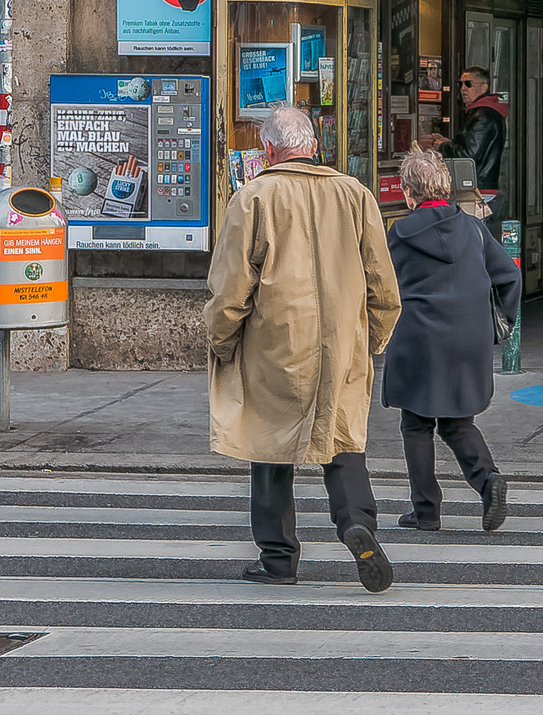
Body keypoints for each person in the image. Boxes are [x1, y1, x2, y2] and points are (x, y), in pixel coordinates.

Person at [204, 105, 402, 591]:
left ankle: (277, 558)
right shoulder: (355, 195)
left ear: (267, 151)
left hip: (277, 341)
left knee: (269, 443)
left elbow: (230, 289)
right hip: (342, 342)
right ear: (314, 147)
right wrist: (370, 341)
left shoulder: (252, 197)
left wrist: (221, 342)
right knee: (342, 439)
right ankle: (357, 522)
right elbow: (385, 288)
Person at [382, 147, 521, 532]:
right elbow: (510, 276)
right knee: (458, 422)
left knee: (416, 424)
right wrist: (498, 322)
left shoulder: (399, 234)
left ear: (409, 193)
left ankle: (426, 511)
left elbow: (380, 285)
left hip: (420, 339)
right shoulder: (473, 229)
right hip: (468, 337)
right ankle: (488, 481)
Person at [429, 66, 508, 217]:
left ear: (483, 87)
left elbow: (469, 154)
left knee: (471, 236)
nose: (463, 89)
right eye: (461, 84)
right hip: (479, 188)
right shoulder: (484, 112)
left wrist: (443, 146)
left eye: (468, 84)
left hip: (477, 190)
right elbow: (473, 146)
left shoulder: (482, 115)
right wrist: (450, 142)